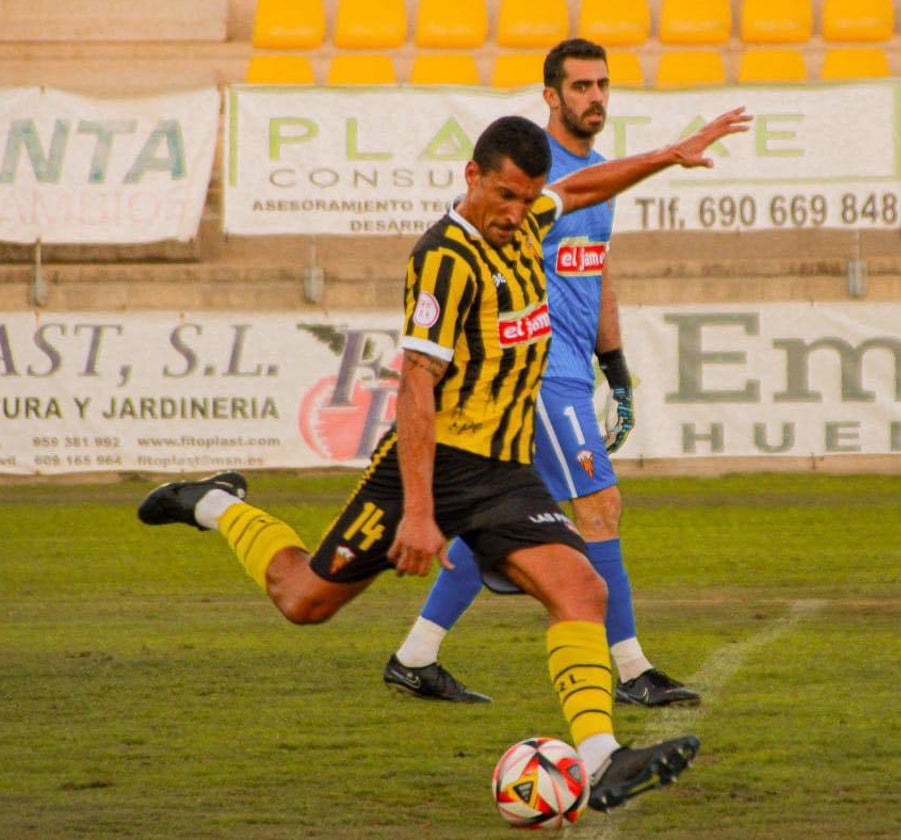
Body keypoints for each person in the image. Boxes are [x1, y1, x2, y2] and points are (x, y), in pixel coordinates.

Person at [137, 107, 750, 813]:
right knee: (302, 600)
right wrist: (422, 515)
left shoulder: (529, 221)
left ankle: (602, 758)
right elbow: (417, 384)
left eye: (528, 199)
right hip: (426, 469)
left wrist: (671, 155)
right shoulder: (443, 260)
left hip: (503, 471)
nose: (518, 213)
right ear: (472, 177)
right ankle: (215, 501)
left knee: (581, 588)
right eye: (506, 196)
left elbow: (584, 189)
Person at [385, 39, 699, 709]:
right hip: (537, 374)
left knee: (503, 518)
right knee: (598, 506)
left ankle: (415, 656)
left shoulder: (600, 175)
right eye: (581, 86)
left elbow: (596, 268)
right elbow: (469, 246)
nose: (596, 97)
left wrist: (613, 365)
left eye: (603, 85)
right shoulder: (524, 177)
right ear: (551, 96)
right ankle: (632, 668)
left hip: (573, 367)